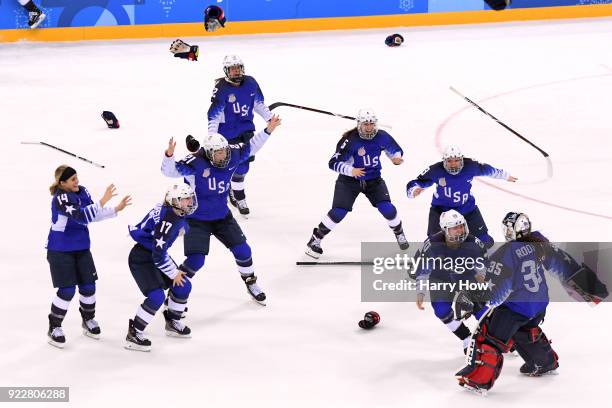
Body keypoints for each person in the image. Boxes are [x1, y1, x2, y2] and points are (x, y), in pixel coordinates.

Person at [455, 212, 608, 394]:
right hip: (539, 305)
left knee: (488, 336)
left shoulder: (507, 252)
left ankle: (479, 379)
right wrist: (591, 288)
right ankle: (544, 362)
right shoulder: (538, 242)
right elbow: (563, 263)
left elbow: (496, 291)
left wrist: (472, 298)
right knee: (524, 331)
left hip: (517, 308)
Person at [162, 116, 281, 306]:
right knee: (196, 261)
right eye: (218, 154)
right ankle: (174, 291)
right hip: (196, 219)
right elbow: (169, 172)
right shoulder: (195, 163)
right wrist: (169, 155)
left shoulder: (231, 154)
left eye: (224, 152)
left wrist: (268, 130)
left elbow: (252, 146)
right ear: (208, 153)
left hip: (221, 215)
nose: (223, 156)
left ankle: (250, 282)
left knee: (243, 250)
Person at [46, 165, 131, 348]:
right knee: (67, 290)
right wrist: (102, 201)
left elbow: (92, 215)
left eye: (77, 177)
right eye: (72, 180)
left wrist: (115, 209)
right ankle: (54, 327)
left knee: (88, 286)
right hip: (60, 250)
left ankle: (88, 320)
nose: (77, 181)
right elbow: (81, 216)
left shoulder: (82, 191)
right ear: (62, 183)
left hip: (82, 247)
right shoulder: (61, 198)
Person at [305, 108, 408, 258]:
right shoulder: (350, 140)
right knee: (339, 211)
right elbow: (333, 163)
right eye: (366, 124)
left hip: (373, 180)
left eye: (371, 124)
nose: (369, 127)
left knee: (388, 209)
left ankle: (399, 233)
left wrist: (395, 158)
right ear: (359, 124)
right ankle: (315, 240)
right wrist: (351, 171)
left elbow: (394, 149)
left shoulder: (382, 136)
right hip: (349, 181)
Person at [125, 183, 197, 351]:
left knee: (183, 285)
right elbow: (158, 256)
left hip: (154, 252)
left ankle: (172, 321)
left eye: (189, 198)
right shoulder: (169, 220)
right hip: (142, 258)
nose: (190, 202)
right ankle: (134, 332)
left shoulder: (172, 211)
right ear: (175, 201)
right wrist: (173, 273)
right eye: (185, 199)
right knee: (157, 296)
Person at [406, 145, 517, 248]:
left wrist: (505, 176)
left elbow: (488, 170)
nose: (453, 164)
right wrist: (413, 190)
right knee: (434, 245)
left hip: (467, 208)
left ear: (462, 160)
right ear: (444, 161)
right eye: (449, 161)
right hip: (441, 211)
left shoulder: (471, 166)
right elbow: (416, 183)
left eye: (456, 161)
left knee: (486, 242)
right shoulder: (436, 170)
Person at [207, 54, 274, 217]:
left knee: (244, 166)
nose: (236, 72)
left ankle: (237, 195)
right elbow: (214, 115)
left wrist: (269, 117)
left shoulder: (251, 82)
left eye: (238, 68)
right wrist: (211, 136)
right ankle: (238, 196)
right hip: (227, 133)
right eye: (232, 69)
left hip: (246, 130)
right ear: (226, 71)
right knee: (230, 165)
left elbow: (258, 104)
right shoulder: (221, 88)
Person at [414, 210, 488, 352]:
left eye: (461, 226)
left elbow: (483, 267)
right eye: (455, 227)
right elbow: (422, 270)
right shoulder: (432, 244)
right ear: (445, 230)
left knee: (481, 310)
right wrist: (421, 292)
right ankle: (466, 338)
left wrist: (481, 279)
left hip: (466, 277)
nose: (460, 230)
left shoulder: (474, 243)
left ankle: (499, 337)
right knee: (441, 310)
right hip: (441, 279)